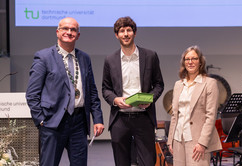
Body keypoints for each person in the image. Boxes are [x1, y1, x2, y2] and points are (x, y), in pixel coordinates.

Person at [26, 17, 104, 166]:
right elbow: (32, 94)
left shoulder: (84, 58)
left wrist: (98, 118)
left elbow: (92, 91)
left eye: (73, 29)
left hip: (79, 122)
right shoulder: (43, 57)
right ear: (57, 32)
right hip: (52, 122)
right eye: (65, 29)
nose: (69, 32)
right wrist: (41, 120)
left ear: (78, 35)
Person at [102, 16, 164, 166]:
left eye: (129, 30)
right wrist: (115, 100)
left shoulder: (150, 56)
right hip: (120, 119)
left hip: (144, 117)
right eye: (121, 31)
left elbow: (158, 84)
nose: (125, 34)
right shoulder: (110, 60)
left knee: (148, 162)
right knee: (121, 162)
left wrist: (149, 99)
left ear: (134, 33)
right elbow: (106, 89)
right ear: (116, 35)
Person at [167, 45, 222, 166]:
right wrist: (170, 140)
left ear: (200, 62)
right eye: (187, 59)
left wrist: (202, 143)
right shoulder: (178, 84)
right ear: (183, 62)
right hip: (178, 139)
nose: (190, 62)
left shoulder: (210, 83)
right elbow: (175, 115)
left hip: (197, 141)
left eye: (194, 59)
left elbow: (211, 116)